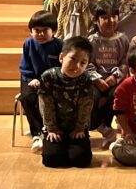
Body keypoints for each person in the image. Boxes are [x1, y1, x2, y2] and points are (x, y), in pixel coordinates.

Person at [38, 36, 95, 168]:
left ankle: (71, 146)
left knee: (81, 160)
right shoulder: (48, 77)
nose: (77, 66)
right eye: (73, 59)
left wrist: (80, 127)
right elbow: (45, 105)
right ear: (61, 57)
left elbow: (86, 106)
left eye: (83, 63)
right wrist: (52, 128)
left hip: (76, 127)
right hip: (54, 127)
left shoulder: (86, 79)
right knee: (52, 159)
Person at [87, 0, 129, 148]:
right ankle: (99, 126)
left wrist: (115, 77)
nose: (110, 21)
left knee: (115, 95)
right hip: (96, 80)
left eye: (113, 16)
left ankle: (107, 127)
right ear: (96, 20)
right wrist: (97, 79)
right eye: (105, 17)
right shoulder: (92, 40)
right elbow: (87, 63)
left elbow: (125, 62)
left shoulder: (122, 39)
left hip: (114, 80)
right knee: (92, 97)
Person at [19, 10, 63, 152]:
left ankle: (51, 127)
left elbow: (62, 67)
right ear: (31, 31)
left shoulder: (59, 45)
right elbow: (24, 65)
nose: (40, 34)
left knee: (55, 97)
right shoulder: (28, 44)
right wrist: (31, 78)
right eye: (36, 30)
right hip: (32, 79)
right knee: (27, 97)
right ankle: (37, 133)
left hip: (53, 80)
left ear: (54, 31)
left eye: (45, 30)